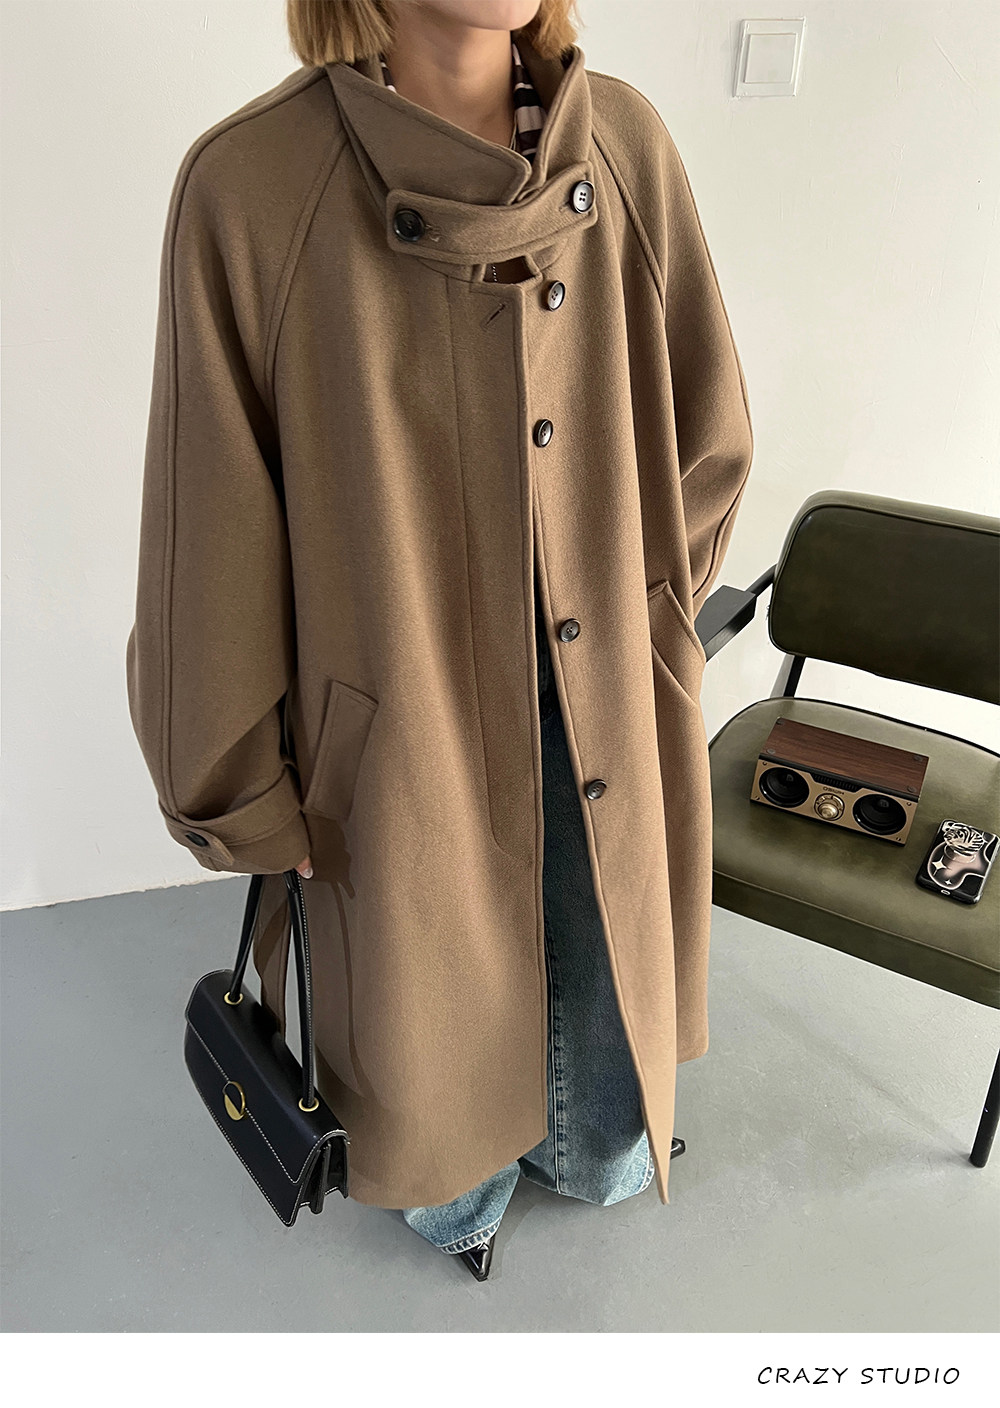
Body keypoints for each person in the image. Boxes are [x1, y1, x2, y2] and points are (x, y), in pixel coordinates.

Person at [127, 0, 754, 1283]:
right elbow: (209, 530)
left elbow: (705, 427)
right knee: (429, 1038)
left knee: (603, 1054)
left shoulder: (625, 144)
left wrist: (650, 622)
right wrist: (240, 785)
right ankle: (453, 1181)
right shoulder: (251, 188)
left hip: (601, 680)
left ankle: (580, 1140)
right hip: (394, 704)